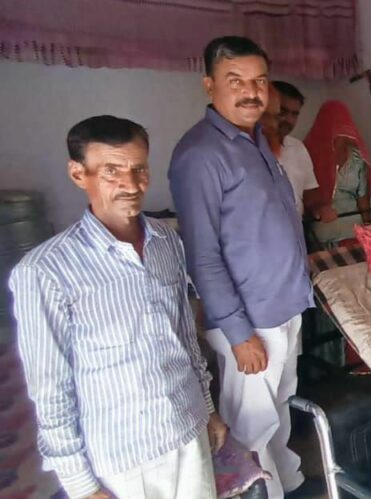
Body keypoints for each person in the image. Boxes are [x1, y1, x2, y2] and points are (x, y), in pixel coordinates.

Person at [10, 115, 226, 499]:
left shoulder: (166, 242)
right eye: (112, 171)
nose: (131, 184)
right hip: (124, 457)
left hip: (187, 428)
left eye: (139, 169)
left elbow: (184, 337)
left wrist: (207, 408)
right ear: (79, 174)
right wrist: (80, 484)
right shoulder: (45, 270)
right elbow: (51, 388)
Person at [168, 36, 315, 499]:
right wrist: (238, 332)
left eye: (260, 81)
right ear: (209, 85)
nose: (252, 92)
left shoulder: (255, 141)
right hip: (249, 320)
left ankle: (288, 483)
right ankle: (259, 492)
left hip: (282, 306)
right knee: (250, 426)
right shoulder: (201, 154)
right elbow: (202, 253)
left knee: (279, 409)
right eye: (236, 81)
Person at [304, 100, 371, 246]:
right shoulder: (308, 153)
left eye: (344, 122)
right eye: (336, 123)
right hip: (324, 227)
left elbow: (362, 195)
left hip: (354, 227)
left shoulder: (356, 157)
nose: (342, 128)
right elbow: (303, 196)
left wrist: (368, 224)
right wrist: (317, 209)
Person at [273, 80, 319, 215]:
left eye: (294, 114)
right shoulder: (246, 149)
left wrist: (321, 208)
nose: (289, 120)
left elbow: (310, 195)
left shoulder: (298, 147)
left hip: (296, 226)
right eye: (282, 111)